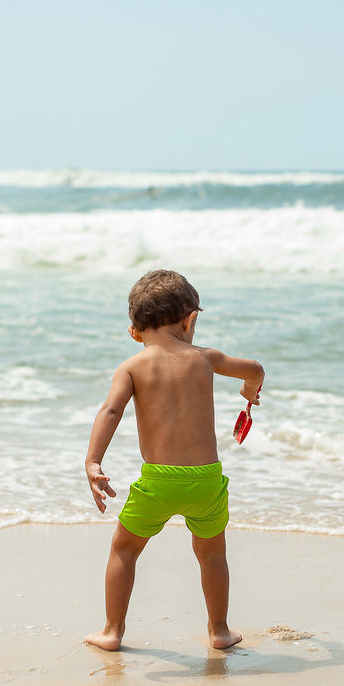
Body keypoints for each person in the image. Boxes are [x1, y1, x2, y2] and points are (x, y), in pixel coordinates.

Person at [83, 269, 264, 651]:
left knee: (124, 549)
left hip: (159, 482)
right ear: (190, 320)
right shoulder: (206, 358)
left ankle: (112, 632)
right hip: (206, 481)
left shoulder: (132, 367)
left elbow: (111, 411)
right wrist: (250, 390)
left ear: (134, 332)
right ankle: (219, 631)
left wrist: (93, 462)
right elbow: (255, 369)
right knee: (212, 552)